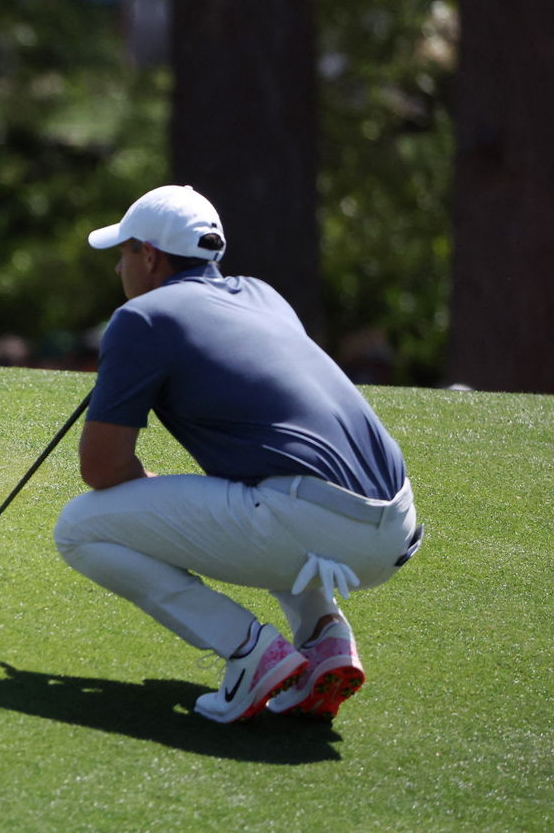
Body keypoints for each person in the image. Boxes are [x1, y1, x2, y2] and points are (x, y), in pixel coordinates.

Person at [52, 185, 422, 724]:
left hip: (312, 520)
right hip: (393, 528)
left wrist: (153, 489)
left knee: (79, 526)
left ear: (149, 256)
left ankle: (251, 654)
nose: (118, 268)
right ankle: (325, 642)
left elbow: (102, 469)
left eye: (124, 252)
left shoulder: (142, 319)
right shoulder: (263, 295)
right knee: (259, 491)